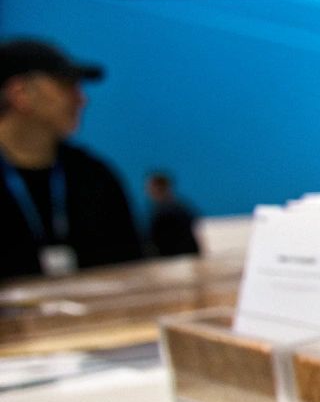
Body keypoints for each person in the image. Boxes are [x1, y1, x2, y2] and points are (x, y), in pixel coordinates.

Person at [0, 39, 143, 279]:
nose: (82, 99)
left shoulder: (95, 177)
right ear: (20, 93)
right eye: (67, 86)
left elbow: (133, 269)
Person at [145, 170, 201, 257]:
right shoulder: (182, 207)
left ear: (157, 188)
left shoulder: (165, 212)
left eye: (149, 187)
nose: (147, 191)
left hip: (174, 260)